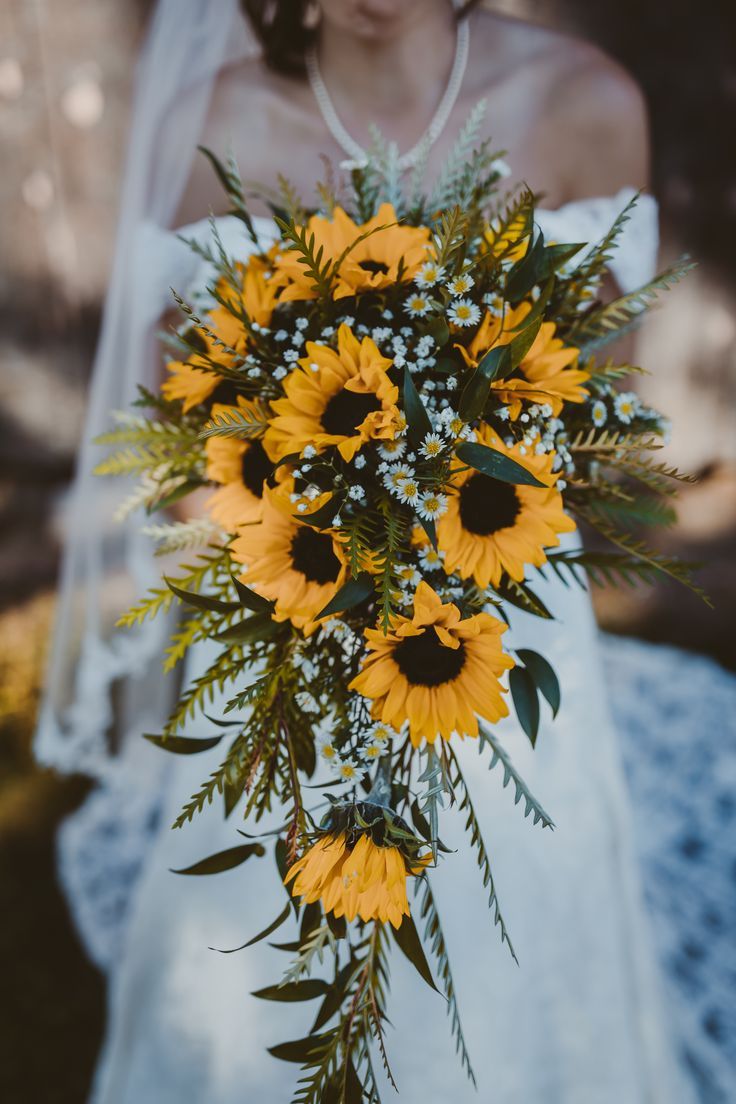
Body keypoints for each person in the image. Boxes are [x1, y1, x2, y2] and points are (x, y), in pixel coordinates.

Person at [37, 1, 717, 1101]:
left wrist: (444, 495)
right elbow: (180, 436)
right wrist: (330, 516)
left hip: (498, 630)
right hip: (288, 630)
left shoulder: (585, 104)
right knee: (267, 969)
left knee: (507, 942)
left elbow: (596, 418)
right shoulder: (209, 128)